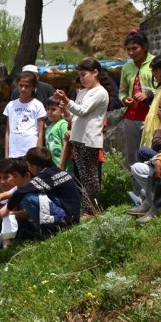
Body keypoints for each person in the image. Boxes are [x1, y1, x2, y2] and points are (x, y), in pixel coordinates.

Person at [54, 57, 110, 218]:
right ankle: (87, 208)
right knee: (83, 177)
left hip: (89, 139)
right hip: (78, 138)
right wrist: (64, 108)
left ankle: (92, 210)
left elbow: (82, 110)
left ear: (95, 73)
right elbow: (73, 117)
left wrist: (66, 99)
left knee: (90, 177)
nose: (82, 78)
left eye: (84, 74)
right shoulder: (83, 92)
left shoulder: (100, 92)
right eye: (79, 75)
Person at [0, 147, 80, 238]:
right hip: (74, 217)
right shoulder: (55, 170)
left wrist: (6, 210)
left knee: (27, 197)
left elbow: (20, 192)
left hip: (67, 220)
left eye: (28, 165)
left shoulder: (45, 175)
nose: (28, 168)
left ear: (34, 167)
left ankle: (47, 232)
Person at [118, 29, 155, 168]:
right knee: (133, 156)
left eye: (135, 48)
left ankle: (152, 188)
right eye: (128, 49)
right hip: (131, 117)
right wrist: (124, 99)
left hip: (152, 115)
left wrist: (149, 94)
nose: (131, 53)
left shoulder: (156, 62)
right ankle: (137, 189)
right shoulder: (127, 67)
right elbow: (121, 91)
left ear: (144, 46)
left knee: (150, 154)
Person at [4, 70, 47, 158]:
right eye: (21, 85)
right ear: (17, 86)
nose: (23, 89)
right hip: (14, 153)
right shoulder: (11, 105)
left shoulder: (37, 105)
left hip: (31, 152)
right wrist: (6, 155)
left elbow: (41, 132)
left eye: (27, 86)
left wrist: (38, 154)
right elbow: (8, 132)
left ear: (33, 87)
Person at [139, 54, 161, 152]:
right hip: (150, 127)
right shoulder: (160, 88)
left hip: (158, 128)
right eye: (152, 71)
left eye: (155, 70)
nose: (153, 74)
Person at [44, 95, 70, 170]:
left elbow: (66, 144)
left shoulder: (63, 124)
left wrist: (61, 164)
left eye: (53, 109)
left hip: (64, 167)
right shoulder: (48, 128)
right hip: (52, 166)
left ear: (62, 111)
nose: (49, 111)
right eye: (48, 109)